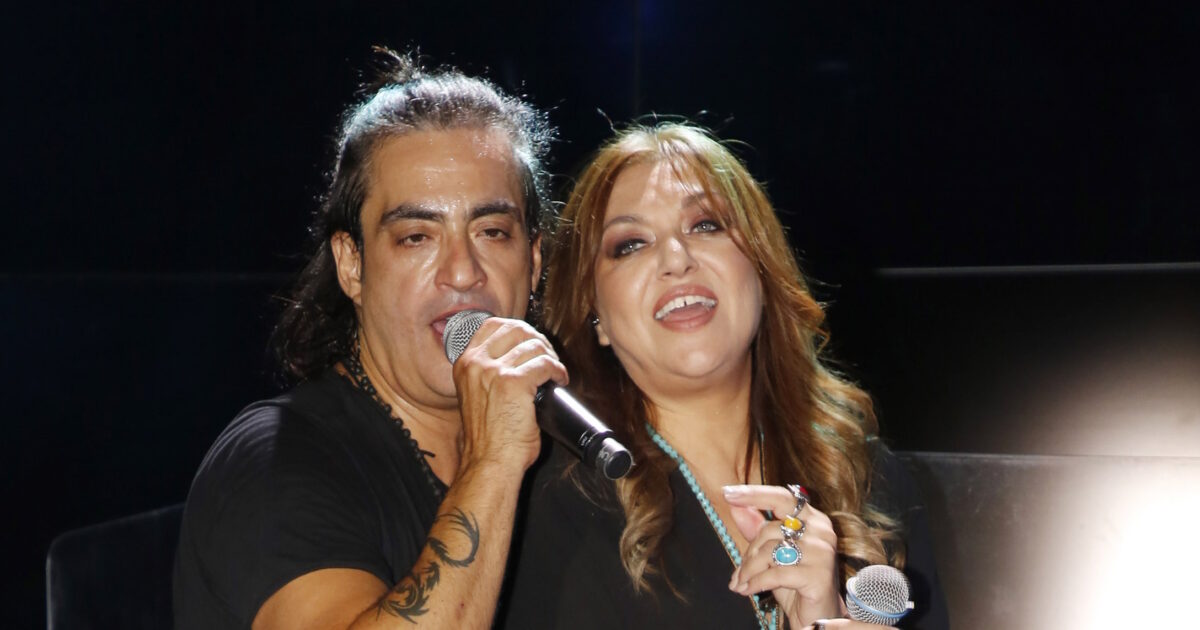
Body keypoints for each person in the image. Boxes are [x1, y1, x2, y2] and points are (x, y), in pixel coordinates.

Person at [173, 49, 567, 629]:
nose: (463, 272)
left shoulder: (566, 454)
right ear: (352, 265)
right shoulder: (273, 459)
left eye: (491, 231)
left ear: (533, 263)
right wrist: (494, 462)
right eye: (416, 237)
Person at [501, 123, 949, 629]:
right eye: (630, 244)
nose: (676, 260)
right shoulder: (553, 504)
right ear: (595, 313)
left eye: (705, 225)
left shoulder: (867, 479)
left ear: (760, 266)